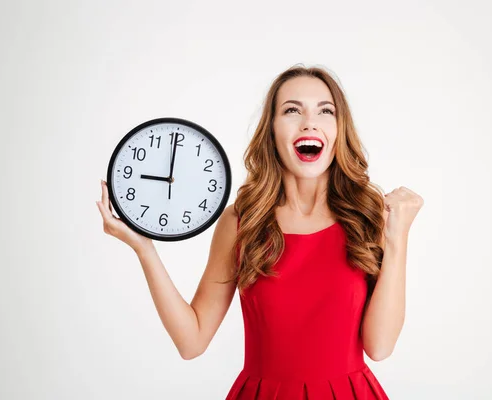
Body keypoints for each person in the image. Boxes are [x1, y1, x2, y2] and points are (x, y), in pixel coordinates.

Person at [96, 64, 423, 399]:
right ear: (271, 130)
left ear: (339, 129)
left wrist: (398, 238)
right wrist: (144, 249)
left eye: (326, 111)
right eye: (292, 110)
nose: (310, 122)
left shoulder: (369, 217)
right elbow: (191, 342)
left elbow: (380, 346)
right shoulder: (241, 222)